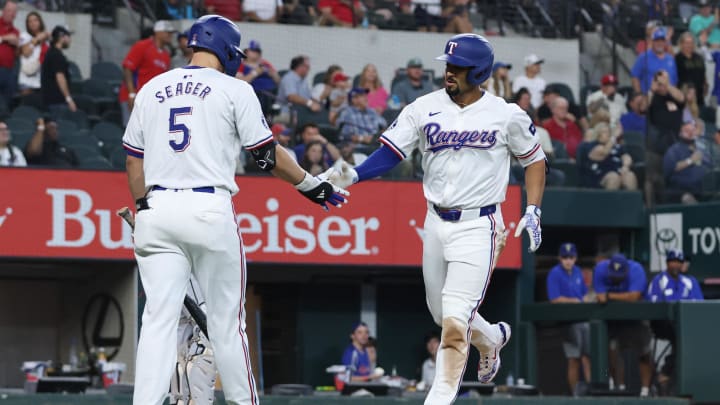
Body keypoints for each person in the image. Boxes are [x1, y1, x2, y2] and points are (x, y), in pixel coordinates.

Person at [121, 15, 348, 405]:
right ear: (226, 48)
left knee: (157, 321)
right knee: (227, 326)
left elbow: (132, 162)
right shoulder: (234, 89)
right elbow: (266, 156)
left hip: (156, 208)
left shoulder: (152, 87)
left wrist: (143, 207)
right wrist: (309, 184)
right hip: (208, 207)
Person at [326, 34, 546, 405]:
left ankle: (439, 399)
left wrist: (533, 208)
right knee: (440, 312)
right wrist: (356, 175)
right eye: (448, 65)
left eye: (457, 67)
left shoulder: (506, 114)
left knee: (456, 323)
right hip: (435, 221)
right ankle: (491, 338)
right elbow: (391, 152)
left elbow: (535, 159)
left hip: (481, 224)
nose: (449, 72)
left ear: (478, 72)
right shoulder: (423, 107)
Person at [593, 253, 653, 397]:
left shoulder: (636, 269)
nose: (616, 279)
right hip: (613, 316)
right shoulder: (601, 270)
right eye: (614, 276)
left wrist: (610, 296)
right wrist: (613, 297)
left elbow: (634, 296)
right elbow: (600, 298)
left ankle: (645, 391)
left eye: (619, 276)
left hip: (637, 315)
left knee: (644, 352)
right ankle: (618, 386)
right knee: (611, 352)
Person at [646, 250, 704, 393]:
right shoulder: (659, 280)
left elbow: (699, 304)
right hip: (662, 324)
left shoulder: (690, 281)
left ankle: (668, 375)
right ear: (667, 263)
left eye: (679, 262)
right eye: (673, 262)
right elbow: (652, 304)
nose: (676, 265)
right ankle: (665, 374)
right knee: (683, 336)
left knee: (691, 337)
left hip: (687, 325)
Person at [546, 243, 592, 395]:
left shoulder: (578, 271)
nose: (568, 260)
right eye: (565, 257)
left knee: (587, 357)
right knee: (574, 359)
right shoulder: (555, 273)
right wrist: (576, 301)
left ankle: (591, 392)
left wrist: (587, 299)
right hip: (568, 322)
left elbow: (584, 294)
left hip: (583, 319)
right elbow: (554, 299)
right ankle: (575, 395)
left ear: (575, 258)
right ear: (560, 258)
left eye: (571, 257)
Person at [119, 20, 175, 126]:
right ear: (158, 32)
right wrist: (131, 94)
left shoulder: (166, 54)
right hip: (135, 96)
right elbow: (128, 68)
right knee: (132, 132)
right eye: (167, 32)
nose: (170, 35)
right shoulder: (143, 46)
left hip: (151, 100)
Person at [663, 119, 711, 204]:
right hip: (682, 190)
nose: (690, 133)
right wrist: (691, 160)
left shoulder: (702, 148)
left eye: (692, 130)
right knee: (687, 199)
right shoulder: (674, 149)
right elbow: (671, 168)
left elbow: (710, 165)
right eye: (686, 131)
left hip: (705, 188)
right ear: (680, 133)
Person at [586, 123, 637, 190]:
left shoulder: (616, 146)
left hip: (619, 171)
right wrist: (614, 137)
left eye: (609, 132)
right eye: (604, 132)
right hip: (601, 176)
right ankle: (610, 200)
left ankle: (632, 200)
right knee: (614, 177)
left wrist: (625, 166)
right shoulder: (593, 145)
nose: (608, 134)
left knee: (630, 175)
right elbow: (604, 152)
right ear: (597, 134)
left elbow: (626, 157)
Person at [631, 27, 678, 94]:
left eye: (662, 41)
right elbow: (635, 78)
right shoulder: (644, 57)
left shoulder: (670, 59)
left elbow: (675, 81)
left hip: (668, 97)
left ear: (665, 42)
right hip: (649, 97)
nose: (660, 43)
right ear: (652, 42)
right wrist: (639, 94)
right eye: (657, 40)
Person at [40, 25, 76, 113]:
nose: (70, 40)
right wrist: (69, 99)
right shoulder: (57, 56)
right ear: (61, 38)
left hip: (51, 101)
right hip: (57, 102)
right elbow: (60, 77)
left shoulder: (51, 52)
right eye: (68, 36)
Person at [277, 55, 321, 123]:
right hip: (286, 112)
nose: (309, 69)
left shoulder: (303, 80)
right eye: (307, 67)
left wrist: (316, 102)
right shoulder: (289, 78)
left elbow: (307, 97)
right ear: (299, 66)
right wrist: (310, 103)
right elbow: (292, 97)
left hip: (301, 111)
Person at [335, 322, 380, 389]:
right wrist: (370, 377)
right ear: (352, 336)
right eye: (360, 332)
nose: (364, 335)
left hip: (364, 388)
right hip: (352, 391)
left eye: (366, 332)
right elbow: (347, 378)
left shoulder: (366, 351)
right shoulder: (351, 353)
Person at [18, 11, 49, 96]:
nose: (33, 23)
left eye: (35, 20)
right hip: (27, 81)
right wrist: (37, 39)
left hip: (42, 80)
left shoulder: (46, 39)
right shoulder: (24, 36)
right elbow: (26, 52)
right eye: (30, 21)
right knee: (27, 105)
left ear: (40, 22)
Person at [675, 32, 707, 108]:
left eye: (691, 43)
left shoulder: (699, 57)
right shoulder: (677, 59)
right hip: (685, 96)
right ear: (681, 44)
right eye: (687, 43)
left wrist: (705, 85)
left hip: (699, 96)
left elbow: (703, 74)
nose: (689, 45)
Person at [0, 0, 19, 109]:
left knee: (6, 104)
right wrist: (5, 38)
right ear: (3, 11)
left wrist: (17, 46)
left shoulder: (16, 32)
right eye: (10, 11)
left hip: (9, 72)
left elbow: (16, 55)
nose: (12, 14)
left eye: (14, 12)